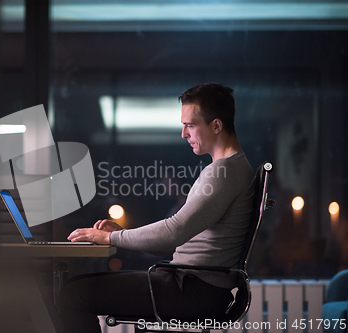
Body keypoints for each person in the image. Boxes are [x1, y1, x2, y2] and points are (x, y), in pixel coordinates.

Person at [61, 83, 255, 333]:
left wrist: (111, 237)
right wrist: (121, 233)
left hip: (192, 291)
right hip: (192, 285)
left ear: (217, 126)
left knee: (74, 294)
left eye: (190, 125)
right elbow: (178, 241)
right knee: (75, 289)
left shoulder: (224, 171)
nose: (184, 134)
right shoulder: (230, 168)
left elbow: (175, 231)